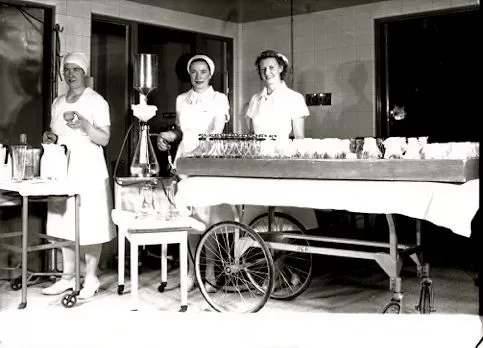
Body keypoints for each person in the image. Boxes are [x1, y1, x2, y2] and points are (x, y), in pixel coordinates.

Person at [41, 51, 116, 299]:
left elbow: (104, 139)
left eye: (76, 69)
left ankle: (91, 277)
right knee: (63, 220)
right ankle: (68, 276)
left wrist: (84, 124)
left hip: (89, 166)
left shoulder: (96, 101)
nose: (70, 74)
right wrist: (52, 137)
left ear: (85, 73)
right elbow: (58, 133)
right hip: (63, 165)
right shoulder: (58, 102)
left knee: (90, 221)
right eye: (66, 70)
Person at [156, 54, 232, 292]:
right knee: (188, 215)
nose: (198, 77)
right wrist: (170, 136)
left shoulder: (220, 99)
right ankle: (190, 271)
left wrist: (202, 149)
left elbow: (217, 130)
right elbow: (181, 130)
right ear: (189, 75)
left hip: (208, 160)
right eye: (194, 72)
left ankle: (210, 271)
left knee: (207, 216)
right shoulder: (181, 99)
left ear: (210, 74)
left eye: (203, 72)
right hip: (185, 159)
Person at [244, 49, 318, 262]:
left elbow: (300, 137)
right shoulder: (255, 100)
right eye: (263, 69)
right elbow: (250, 135)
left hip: (284, 162)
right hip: (258, 163)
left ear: (281, 69)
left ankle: (287, 265)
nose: (267, 72)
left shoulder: (294, 98)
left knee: (286, 217)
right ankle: (268, 265)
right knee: (260, 217)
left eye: (271, 68)